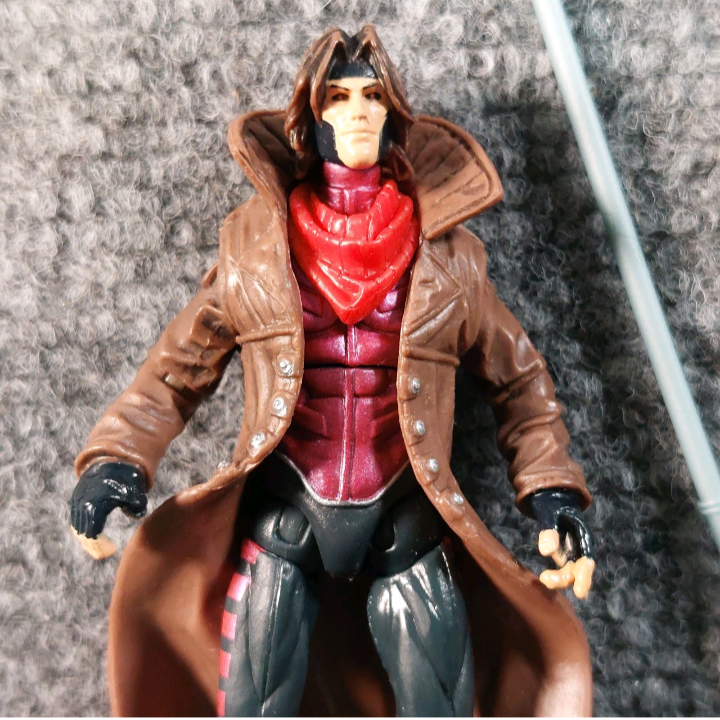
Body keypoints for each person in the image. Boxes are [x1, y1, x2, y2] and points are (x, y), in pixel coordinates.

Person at [70, 25, 597, 717]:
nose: (357, 112)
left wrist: (552, 490)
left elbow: (519, 381)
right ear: (311, 118)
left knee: (439, 700)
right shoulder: (256, 248)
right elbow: (177, 370)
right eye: (339, 98)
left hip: (404, 510)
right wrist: (117, 458)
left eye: (372, 97)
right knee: (256, 697)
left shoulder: (448, 258)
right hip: (287, 508)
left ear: (393, 115)